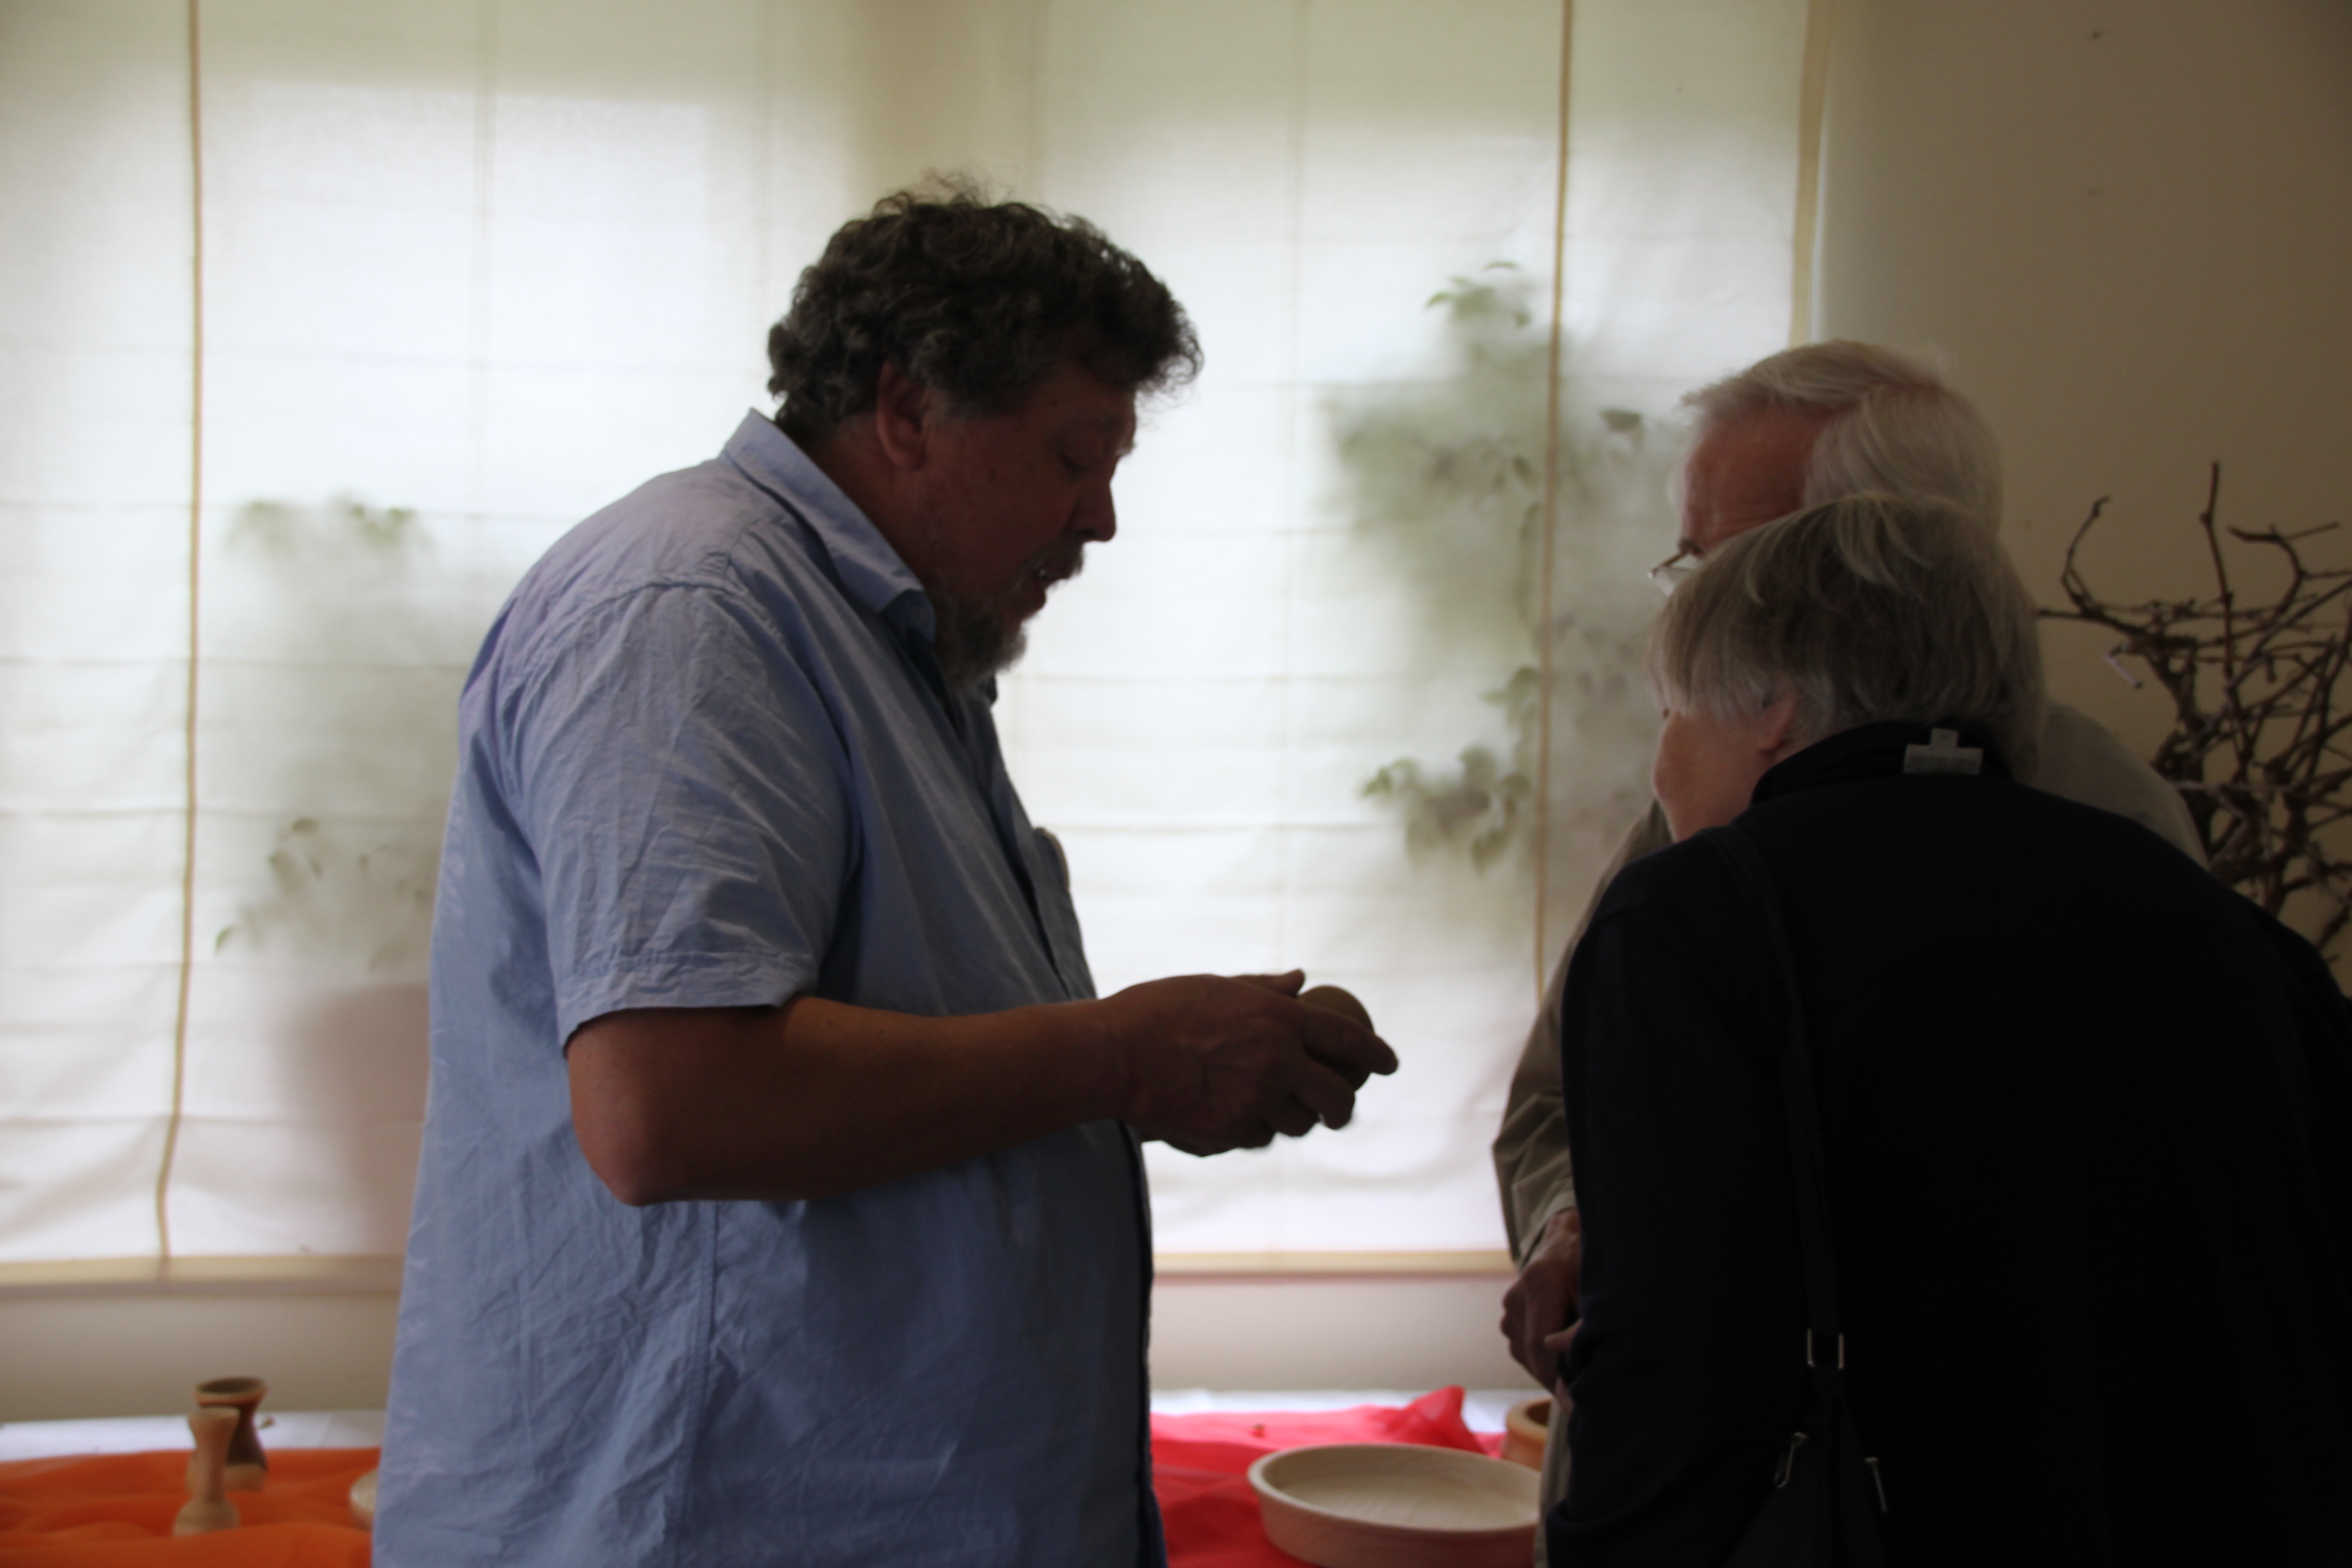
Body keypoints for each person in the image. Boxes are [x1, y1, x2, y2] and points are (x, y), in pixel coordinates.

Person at [374, 187, 1396, 1568]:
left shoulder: (886, 643)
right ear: (907, 408)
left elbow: (903, 1073)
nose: (1101, 520)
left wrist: (1155, 1079)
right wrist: (1126, 1059)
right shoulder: (694, 610)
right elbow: (671, 1105)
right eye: (1074, 456)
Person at [1546, 493, 2352, 1564]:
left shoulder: (1691, 923)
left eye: (1674, 712)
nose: (1663, 761)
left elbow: (1682, 1358)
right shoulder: (2223, 925)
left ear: (1776, 707)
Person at [1492, 342, 2206, 1527]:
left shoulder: (2120, 834)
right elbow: (1559, 1104)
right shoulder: (1704, 810)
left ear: (1898, 553)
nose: (1690, 599)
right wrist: (1577, 1224)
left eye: (1734, 559)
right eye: (1689, 560)